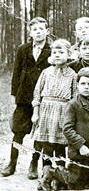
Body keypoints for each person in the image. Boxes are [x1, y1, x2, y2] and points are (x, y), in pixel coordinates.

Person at [40, 67, 89, 191]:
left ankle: (62, 180)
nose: (86, 87)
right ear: (78, 85)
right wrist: (80, 145)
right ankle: (52, 171)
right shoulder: (72, 104)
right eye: (83, 83)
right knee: (77, 183)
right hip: (80, 152)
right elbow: (67, 128)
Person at [1, 17, 51, 178]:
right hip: (24, 96)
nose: (38, 32)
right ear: (30, 33)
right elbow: (16, 73)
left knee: (40, 132)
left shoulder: (51, 50)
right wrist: (15, 95)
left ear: (47, 31)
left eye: (41, 29)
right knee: (19, 130)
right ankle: (12, 163)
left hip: (43, 96)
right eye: (35, 29)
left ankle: (34, 163)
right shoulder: (23, 49)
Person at [31, 39, 78, 180]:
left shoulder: (73, 75)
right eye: (54, 52)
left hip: (62, 112)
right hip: (46, 111)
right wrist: (35, 112)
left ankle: (59, 174)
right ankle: (45, 173)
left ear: (68, 54)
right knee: (45, 144)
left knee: (60, 144)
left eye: (61, 52)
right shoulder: (46, 72)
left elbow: (75, 97)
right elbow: (37, 93)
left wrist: (70, 117)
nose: (57, 55)